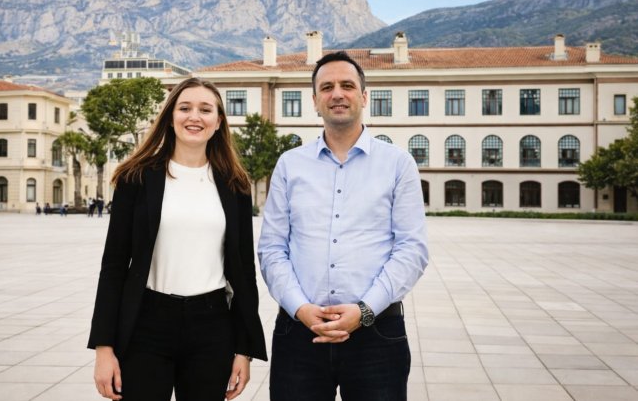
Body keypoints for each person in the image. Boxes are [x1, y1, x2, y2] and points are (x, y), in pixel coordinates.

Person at [258, 51, 429, 401]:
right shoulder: (290, 165)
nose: (338, 93)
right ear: (315, 101)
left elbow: (412, 249)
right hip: (299, 332)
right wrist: (301, 309)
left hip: (377, 334)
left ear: (364, 97)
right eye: (327, 87)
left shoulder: (398, 164)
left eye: (347, 85)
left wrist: (364, 311)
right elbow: (272, 248)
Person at [88, 77, 267, 401]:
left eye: (205, 109)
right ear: (170, 117)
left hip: (212, 326)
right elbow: (114, 265)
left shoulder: (235, 185)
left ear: (218, 121)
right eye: (184, 108)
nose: (194, 117)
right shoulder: (136, 178)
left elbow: (244, 271)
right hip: (146, 325)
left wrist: (244, 349)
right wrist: (104, 347)